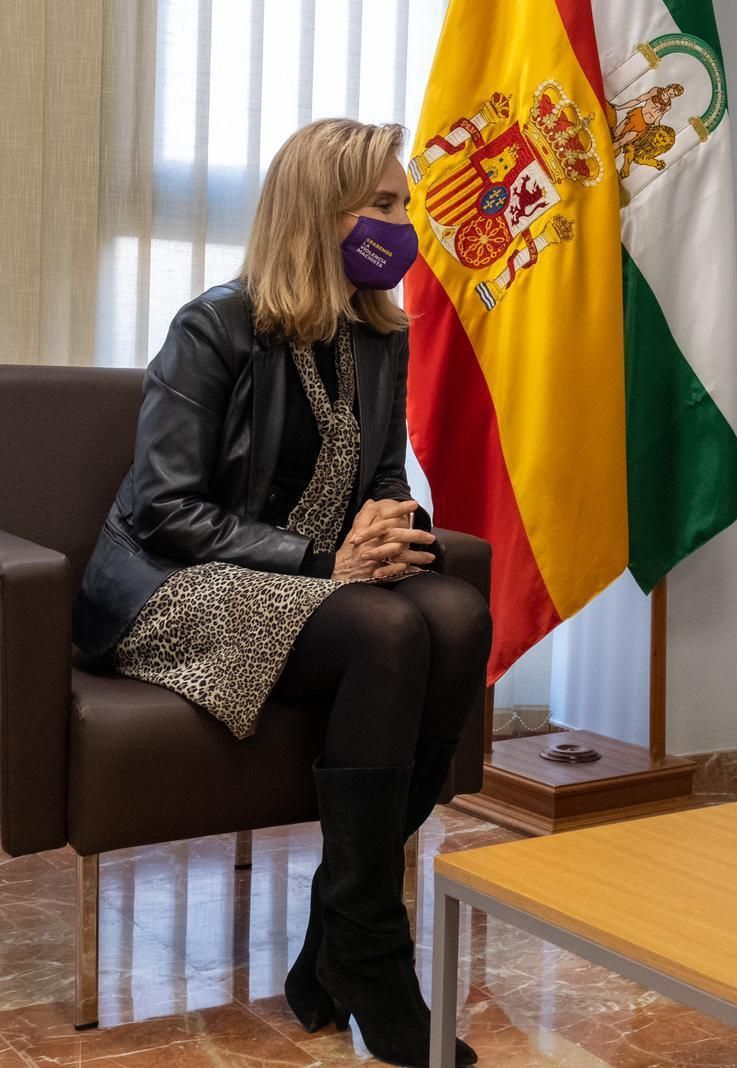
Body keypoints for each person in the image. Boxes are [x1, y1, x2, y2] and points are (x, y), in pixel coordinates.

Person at [72, 119, 488, 1067]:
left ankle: (333, 939)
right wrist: (324, 563)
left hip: (309, 584)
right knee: (386, 634)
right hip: (172, 588)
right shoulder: (213, 328)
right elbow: (166, 507)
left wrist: (394, 526)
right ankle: (375, 958)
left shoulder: (378, 336)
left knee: (458, 617)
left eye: (403, 202)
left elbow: (385, 476)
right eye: (382, 204)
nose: (401, 221)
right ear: (319, 209)